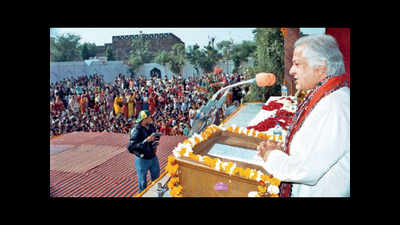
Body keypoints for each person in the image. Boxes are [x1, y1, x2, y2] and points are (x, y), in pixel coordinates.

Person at [256, 34, 349, 197]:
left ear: (320, 68)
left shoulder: (336, 105)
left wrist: (271, 155)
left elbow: (306, 170)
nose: (291, 71)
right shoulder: (326, 97)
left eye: (297, 64)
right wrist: (285, 152)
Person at [126, 110, 160, 193]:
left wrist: (155, 142)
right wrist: (146, 141)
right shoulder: (136, 130)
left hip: (153, 157)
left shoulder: (151, 126)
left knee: (157, 180)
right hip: (142, 160)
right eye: (149, 117)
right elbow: (130, 147)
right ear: (144, 119)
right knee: (142, 183)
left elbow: (153, 138)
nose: (151, 118)